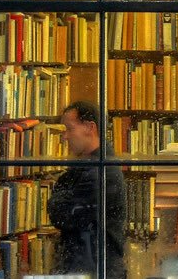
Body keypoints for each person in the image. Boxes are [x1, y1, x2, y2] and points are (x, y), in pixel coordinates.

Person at [47, 100, 127, 278]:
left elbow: (62, 216)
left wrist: (58, 193)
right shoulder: (88, 166)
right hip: (88, 265)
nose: (65, 137)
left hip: (95, 268)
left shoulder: (102, 171)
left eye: (69, 129)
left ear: (90, 127)